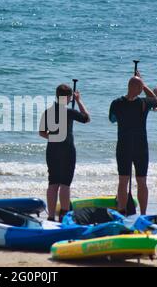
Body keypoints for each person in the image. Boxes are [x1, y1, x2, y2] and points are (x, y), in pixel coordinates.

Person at [39, 84, 90, 222]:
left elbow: (42, 133)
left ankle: (50, 216)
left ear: (56, 95)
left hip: (52, 150)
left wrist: (54, 137)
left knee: (53, 183)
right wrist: (78, 100)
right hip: (67, 150)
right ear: (68, 97)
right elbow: (87, 118)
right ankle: (64, 216)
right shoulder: (69, 112)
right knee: (65, 184)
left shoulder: (48, 112)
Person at [109, 71, 157, 215]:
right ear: (140, 88)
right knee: (141, 181)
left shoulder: (116, 103)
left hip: (124, 146)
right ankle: (143, 214)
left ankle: (122, 212)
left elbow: (112, 119)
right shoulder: (144, 103)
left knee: (123, 181)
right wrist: (143, 83)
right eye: (141, 88)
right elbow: (156, 99)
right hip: (141, 147)